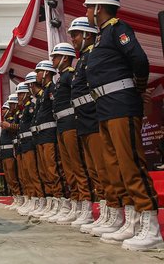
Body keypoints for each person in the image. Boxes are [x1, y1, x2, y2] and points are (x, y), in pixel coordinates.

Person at [84, 0, 163, 251]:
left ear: (98, 8)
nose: (86, 13)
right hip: (105, 107)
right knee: (114, 167)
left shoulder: (119, 29)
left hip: (121, 104)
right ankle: (131, 221)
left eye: (88, 7)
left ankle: (150, 227)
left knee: (130, 164)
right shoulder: (101, 37)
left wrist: (139, 90)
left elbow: (140, 61)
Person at [67, 17, 120, 232]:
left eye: (75, 34)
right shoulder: (82, 60)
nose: (72, 39)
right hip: (84, 120)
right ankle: (106, 213)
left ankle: (114, 214)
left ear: (88, 34)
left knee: (103, 168)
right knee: (93, 169)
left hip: (95, 116)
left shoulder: (93, 56)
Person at [49, 43, 92, 225]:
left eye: (55, 57)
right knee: (68, 168)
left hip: (71, 124)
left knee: (77, 166)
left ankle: (86, 207)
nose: (53, 60)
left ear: (65, 58)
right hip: (62, 125)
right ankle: (76, 204)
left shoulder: (69, 75)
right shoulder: (61, 79)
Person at [33, 60, 65, 221]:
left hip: (50, 134)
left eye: (39, 71)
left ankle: (60, 202)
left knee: (52, 169)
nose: (37, 74)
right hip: (42, 136)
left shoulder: (52, 89)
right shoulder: (45, 92)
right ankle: (53, 202)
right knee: (46, 170)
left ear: (46, 73)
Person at [15, 81, 45, 216]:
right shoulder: (25, 110)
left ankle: (40, 200)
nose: (19, 97)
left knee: (34, 173)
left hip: (31, 142)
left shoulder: (31, 107)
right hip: (24, 144)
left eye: (20, 93)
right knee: (26, 175)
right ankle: (32, 199)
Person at [0, 97, 22, 209]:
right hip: (4, 152)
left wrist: (9, 126)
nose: (2, 111)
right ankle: (16, 198)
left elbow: (16, 130)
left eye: (4, 109)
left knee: (13, 177)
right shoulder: (6, 121)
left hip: (9, 151)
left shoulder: (12, 120)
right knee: (9, 178)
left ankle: (20, 198)